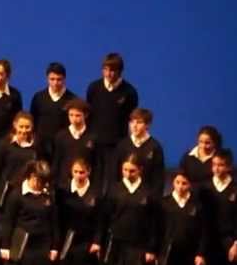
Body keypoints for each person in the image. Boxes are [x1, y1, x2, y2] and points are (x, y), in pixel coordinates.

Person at [97, 153, 157, 265]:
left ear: (140, 170)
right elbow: (104, 218)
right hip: (115, 243)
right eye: (124, 170)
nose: (128, 173)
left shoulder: (148, 192)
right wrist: (99, 242)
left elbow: (153, 223)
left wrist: (150, 248)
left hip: (137, 244)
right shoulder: (114, 190)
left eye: (131, 170)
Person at [86, 53, 139, 195]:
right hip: (96, 143)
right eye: (105, 69)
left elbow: (132, 121)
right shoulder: (94, 88)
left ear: (120, 71)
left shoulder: (129, 92)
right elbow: (89, 115)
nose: (108, 73)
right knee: (95, 180)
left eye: (112, 70)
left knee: (113, 181)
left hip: (118, 144)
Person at [56, 158, 98, 265]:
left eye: (82, 172)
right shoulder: (63, 191)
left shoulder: (95, 193)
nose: (79, 175)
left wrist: (96, 241)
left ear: (88, 172)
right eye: (76, 172)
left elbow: (100, 220)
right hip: (65, 241)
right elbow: (56, 219)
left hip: (84, 241)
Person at [0, 112, 39, 208]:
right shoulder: (4, 144)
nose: (24, 130)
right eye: (21, 126)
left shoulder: (36, 146)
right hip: (6, 190)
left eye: (27, 127)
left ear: (32, 127)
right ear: (15, 125)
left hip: (26, 190)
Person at [112, 108, 166, 198]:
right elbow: (115, 174)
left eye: (139, 122)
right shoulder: (122, 145)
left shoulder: (155, 147)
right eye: (132, 122)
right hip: (123, 195)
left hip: (145, 198)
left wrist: (153, 198)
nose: (134, 126)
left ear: (147, 125)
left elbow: (158, 178)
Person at [29, 63, 76, 157]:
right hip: (40, 147)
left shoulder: (72, 100)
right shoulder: (38, 97)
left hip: (62, 148)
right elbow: (32, 120)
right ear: (47, 79)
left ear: (64, 79)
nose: (55, 83)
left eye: (59, 79)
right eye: (52, 79)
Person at [50, 99, 98, 192]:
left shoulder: (93, 137)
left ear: (86, 115)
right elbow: (57, 161)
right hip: (64, 185)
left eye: (78, 115)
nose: (74, 119)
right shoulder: (61, 136)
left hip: (86, 185)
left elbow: (97, 164)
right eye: (71, 115)